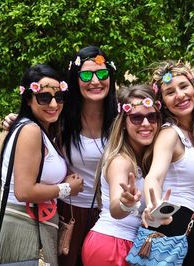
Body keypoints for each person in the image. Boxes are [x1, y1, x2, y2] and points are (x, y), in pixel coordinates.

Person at [0, 64, 83, 265]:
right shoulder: (31, 130)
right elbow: (24, 191)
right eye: (44, 97)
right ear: (28, 98)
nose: (53, 104)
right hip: (23, 228)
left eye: (58, 97)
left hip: (35, 226)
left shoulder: (40, 131)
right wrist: (67, 188)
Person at [81, 84, 162, 266]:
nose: (146, 124)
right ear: (123, 123)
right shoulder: (121, 161)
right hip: (111, 243)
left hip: (128, 244)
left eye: (152, 116)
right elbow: (116, 208)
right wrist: (126, 203)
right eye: (136, 118)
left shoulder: (147, 161)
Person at [142, 60, 194, 265]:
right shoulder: (169, 133)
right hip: (173, 222)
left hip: (191, 224)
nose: (179, 95)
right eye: (170, 92)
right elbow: (154, 176)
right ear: (163, 101)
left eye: (183, 86)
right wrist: (153, 205)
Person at [58, 45, 118, 266]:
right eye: (86, 75)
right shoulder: (61, 118)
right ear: (76, 79)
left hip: (111, 215)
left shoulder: (122, 118)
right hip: (70, 212)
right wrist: (15, 120)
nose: (95, 81)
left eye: (102, 74)